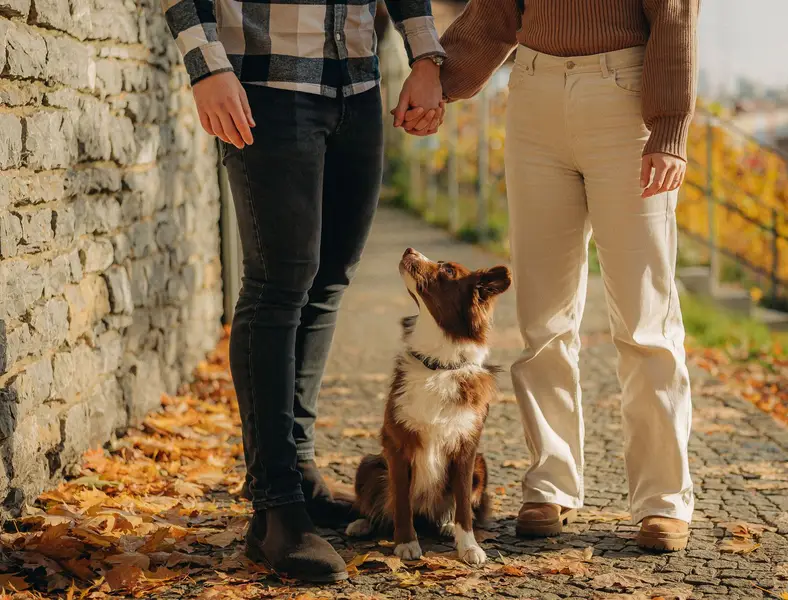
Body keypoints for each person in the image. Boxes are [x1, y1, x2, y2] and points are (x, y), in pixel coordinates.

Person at [161, 0, 446, 582]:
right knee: (278, 284)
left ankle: (301, 473)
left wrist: (425, 58)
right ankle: (274, 510)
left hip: (358, 83)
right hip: (264, 83)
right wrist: (207, 66)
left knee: (327, 281)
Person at [399, 0, 699, 552]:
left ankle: (663, 499)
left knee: (645, 321)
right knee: (543, 319)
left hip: (626, 96)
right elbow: (494, 13)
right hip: (534, 92)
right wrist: (438, 80)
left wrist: (670, 128)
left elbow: (675, 16)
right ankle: (552, 485)